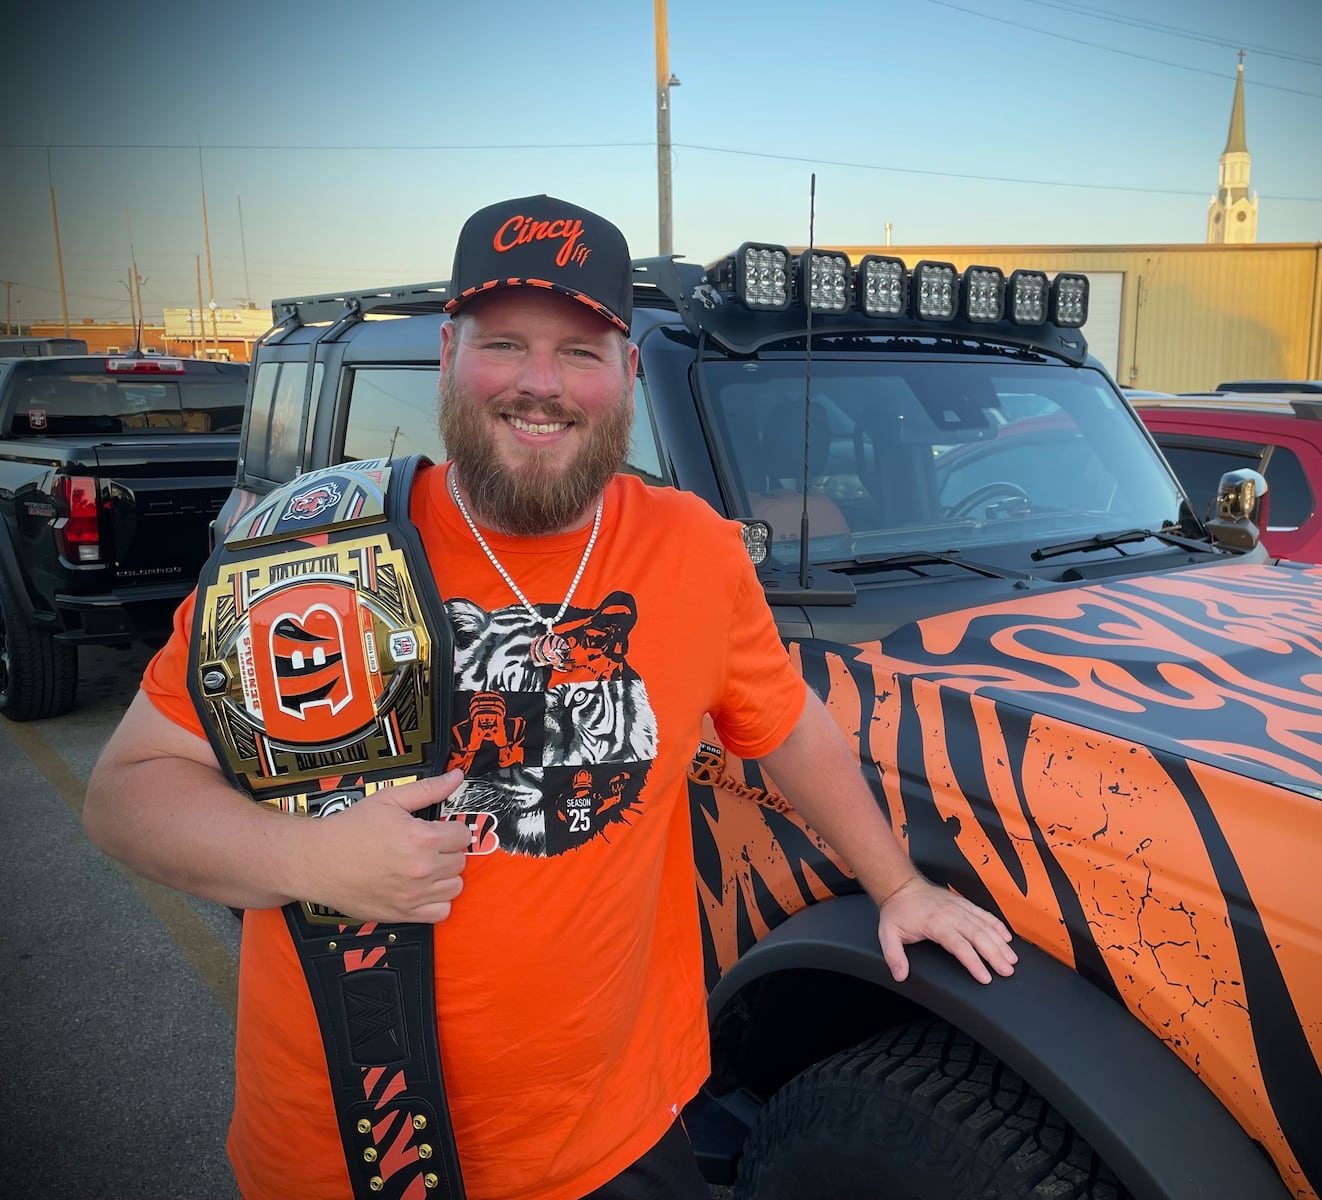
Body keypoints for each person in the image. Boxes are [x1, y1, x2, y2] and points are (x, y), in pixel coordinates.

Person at [83, 193, 1017, 1200]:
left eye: (581, 351)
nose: (540, 384)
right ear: (447, 351)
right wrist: (305, 857)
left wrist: (898, 885)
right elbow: (128, 791)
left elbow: (787, 724)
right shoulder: (313, 555)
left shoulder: (694, 551)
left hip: (618, 1135)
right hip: (359, 1147)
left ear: (624, 373)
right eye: (506, 344)